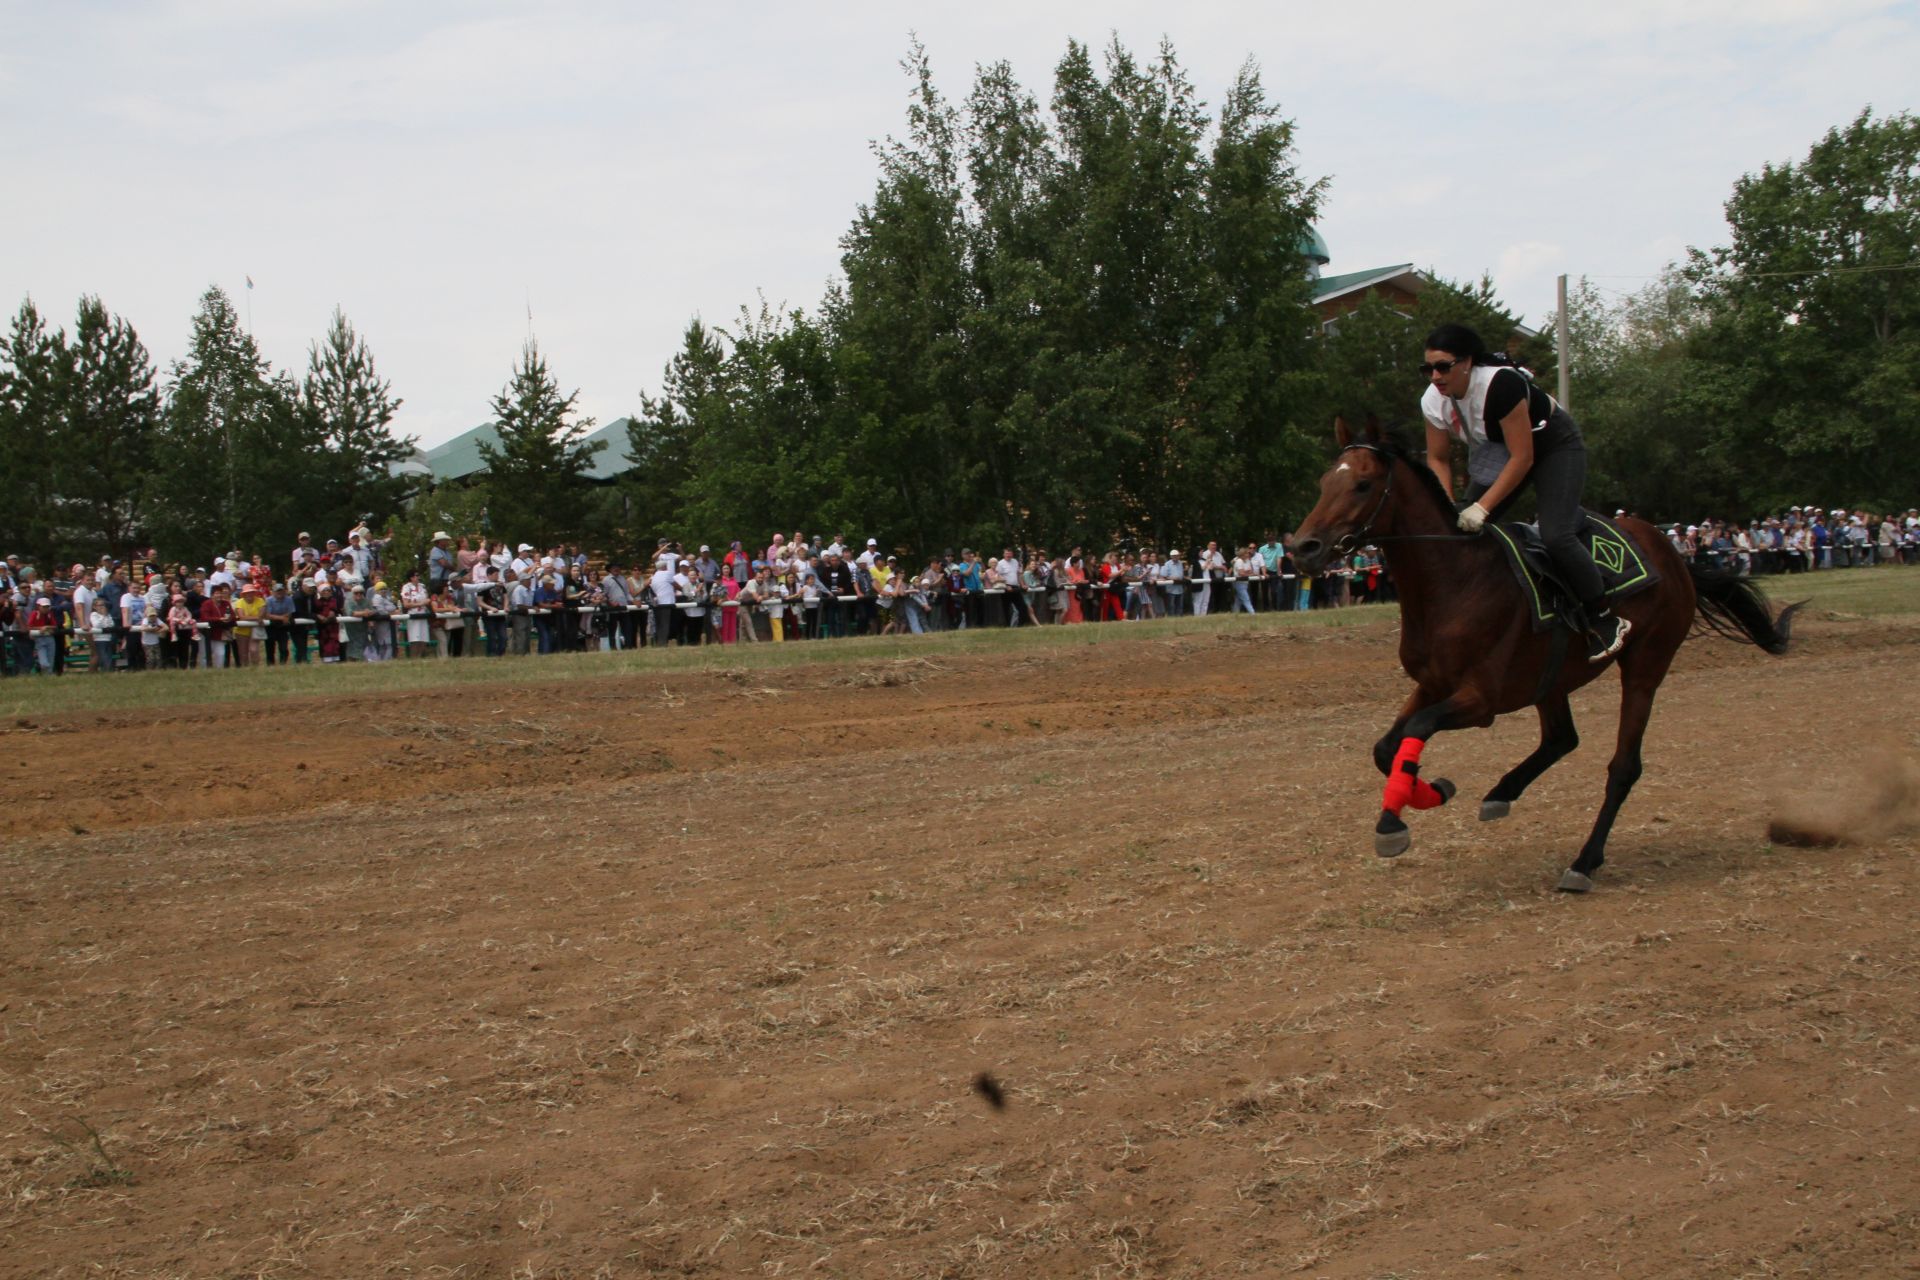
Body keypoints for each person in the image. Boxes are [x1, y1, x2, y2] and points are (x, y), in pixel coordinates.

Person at [1420, 323, 1629, 662]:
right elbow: (1438, 459)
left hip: (1552, 446)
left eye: (1442, 366)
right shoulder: (1432, 401)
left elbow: (1524, 458)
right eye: (1427, 368)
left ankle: (1603, 617)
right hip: (1499, 449)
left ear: (1467, 363)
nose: (1434, 375)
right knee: (1459, 534)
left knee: (1556, 535)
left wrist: (1483, 508)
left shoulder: (1501, 384)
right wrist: (1447, 506)